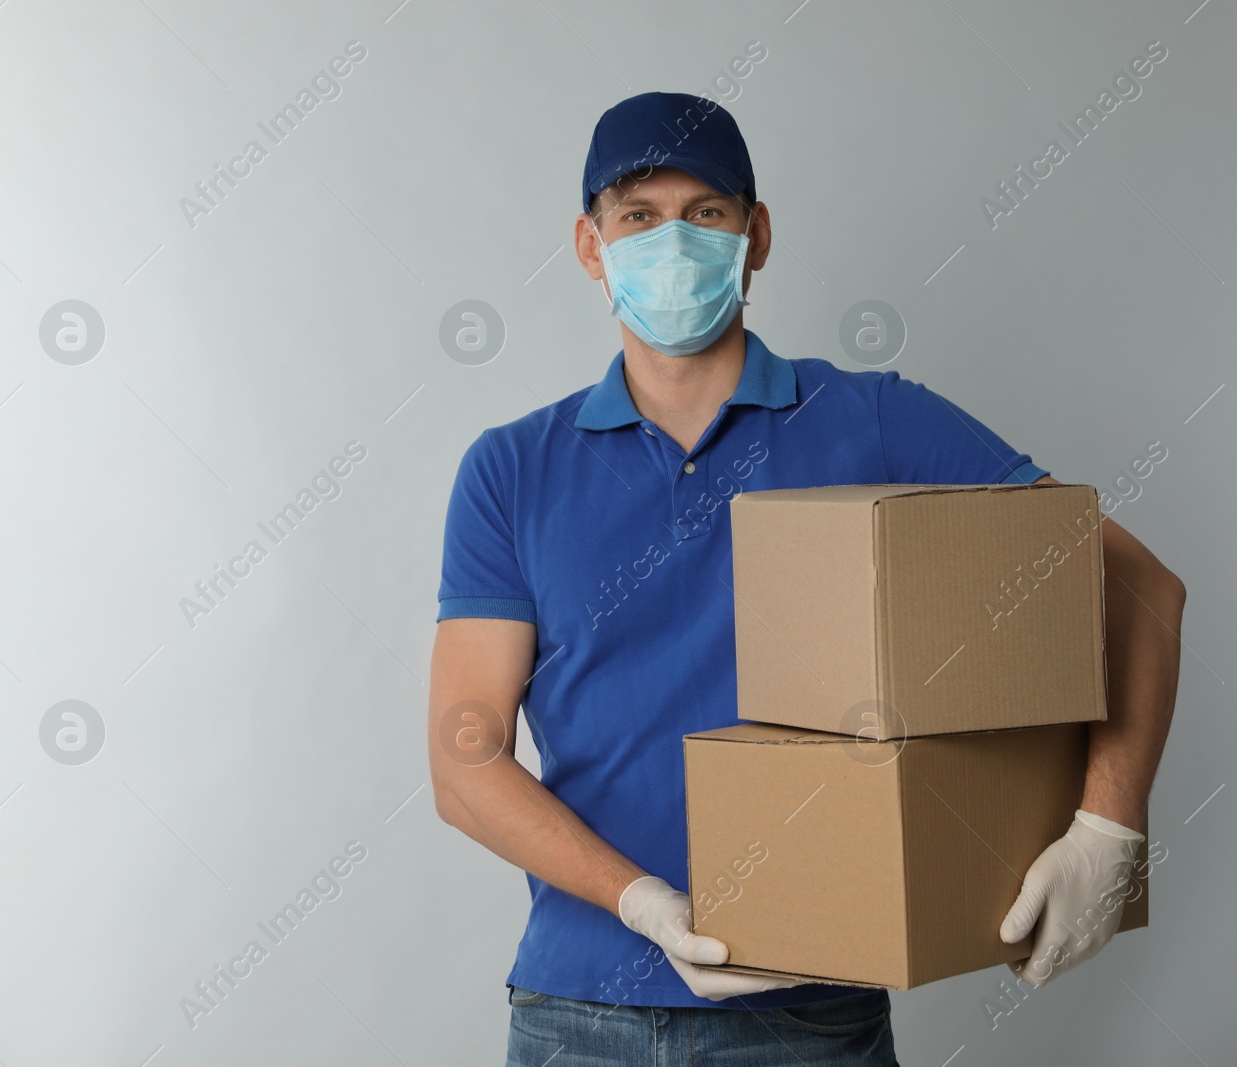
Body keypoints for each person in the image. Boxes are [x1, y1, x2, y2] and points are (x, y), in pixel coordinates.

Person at [429, 90, 1185, 1066]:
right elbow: (465, 757)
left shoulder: (872, 422)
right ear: (589, 245)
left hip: (806, 1016)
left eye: (705, 211)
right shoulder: (513, 468)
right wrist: (646, 903)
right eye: (637, 216)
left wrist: (1107, 825)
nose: (671, 240)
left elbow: (1138, 589)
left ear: (757, 233)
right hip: (578, 1012)